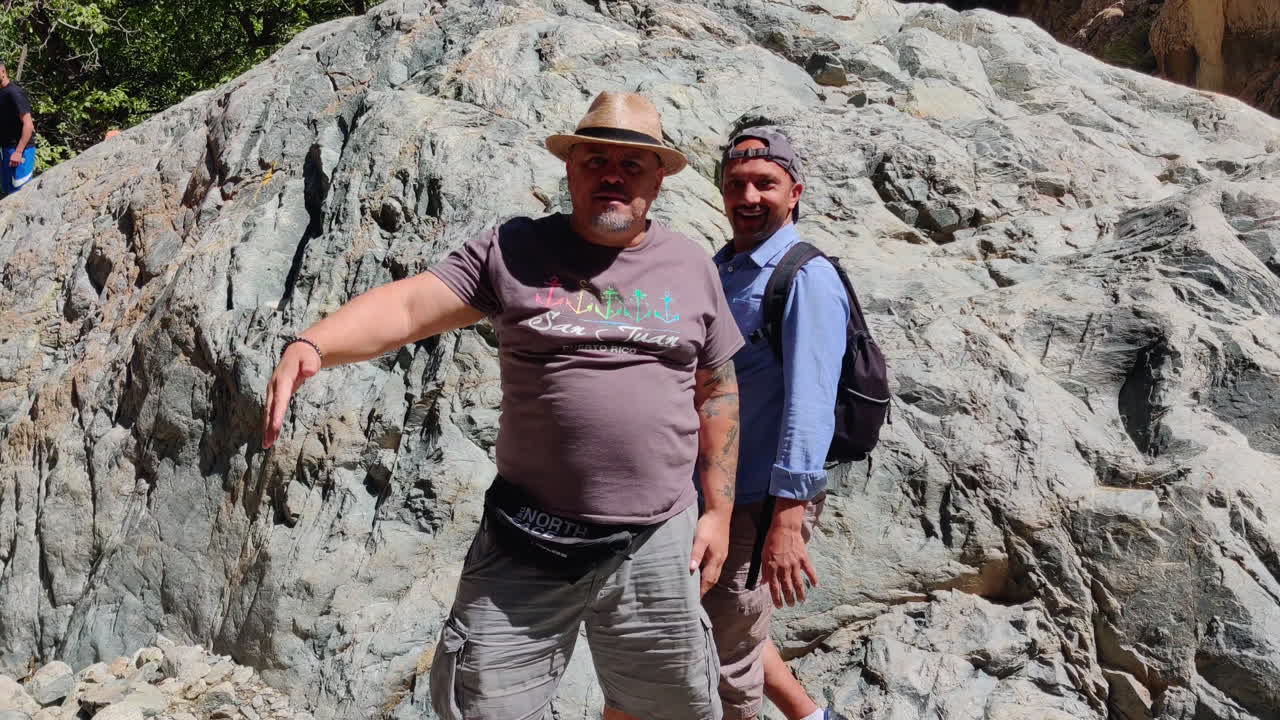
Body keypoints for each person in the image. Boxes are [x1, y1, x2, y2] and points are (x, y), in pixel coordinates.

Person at [261, 91, 743, 720]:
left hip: (656, 540)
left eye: (631, 164)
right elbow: (409, 307)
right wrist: (314, 344)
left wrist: (719, 514)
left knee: (662, 710)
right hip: (528, 539)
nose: (613, 176)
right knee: (487, 708)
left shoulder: (690, 265)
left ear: (658, 178)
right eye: (596, 161)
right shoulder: (513, 250)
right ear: (570, 168)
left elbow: (718, 388)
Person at [703, 128, 850, 720]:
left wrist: (788, 518)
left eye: (765, 184)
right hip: (712, 493)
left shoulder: (805, 276)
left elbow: (812, 401)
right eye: (736, 183)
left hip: (760, 501)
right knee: (727, 626)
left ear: (795, 193)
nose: (749, 197)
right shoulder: (725, 267)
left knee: (725, 655)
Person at [0, 62, 36, 196]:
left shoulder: (14, 92)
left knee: (20, 193)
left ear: (3, 72)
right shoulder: (2, 93)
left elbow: (28, 124)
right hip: (6, 150)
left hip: (20, 151)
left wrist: (19, 151)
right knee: (8, 194)